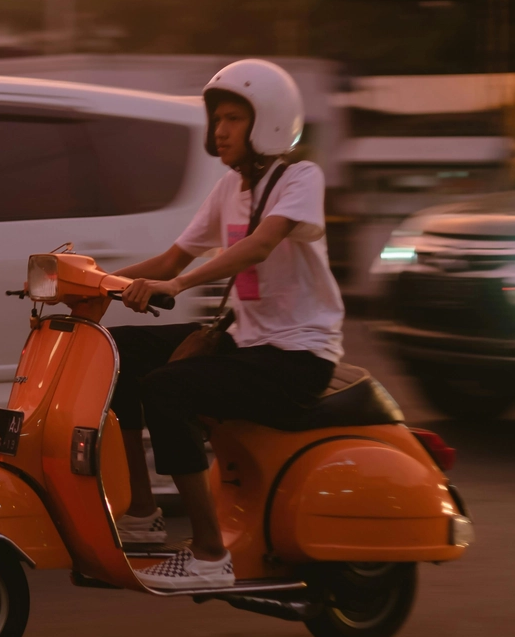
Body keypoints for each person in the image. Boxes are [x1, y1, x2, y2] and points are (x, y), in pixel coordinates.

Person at [82, 59, 345, 590]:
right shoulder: (230, 189)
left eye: (232, 119)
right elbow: (169, 260)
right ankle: (140, 510)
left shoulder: (300, 178)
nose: (219, 130)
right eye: (217, 119)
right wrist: (90, 285)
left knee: (167, 391)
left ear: (267, 121)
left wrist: (177, 290)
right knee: (116, 350)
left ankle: (208, 554)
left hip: (295, 356)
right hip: (244, 342)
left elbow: (261, 243)